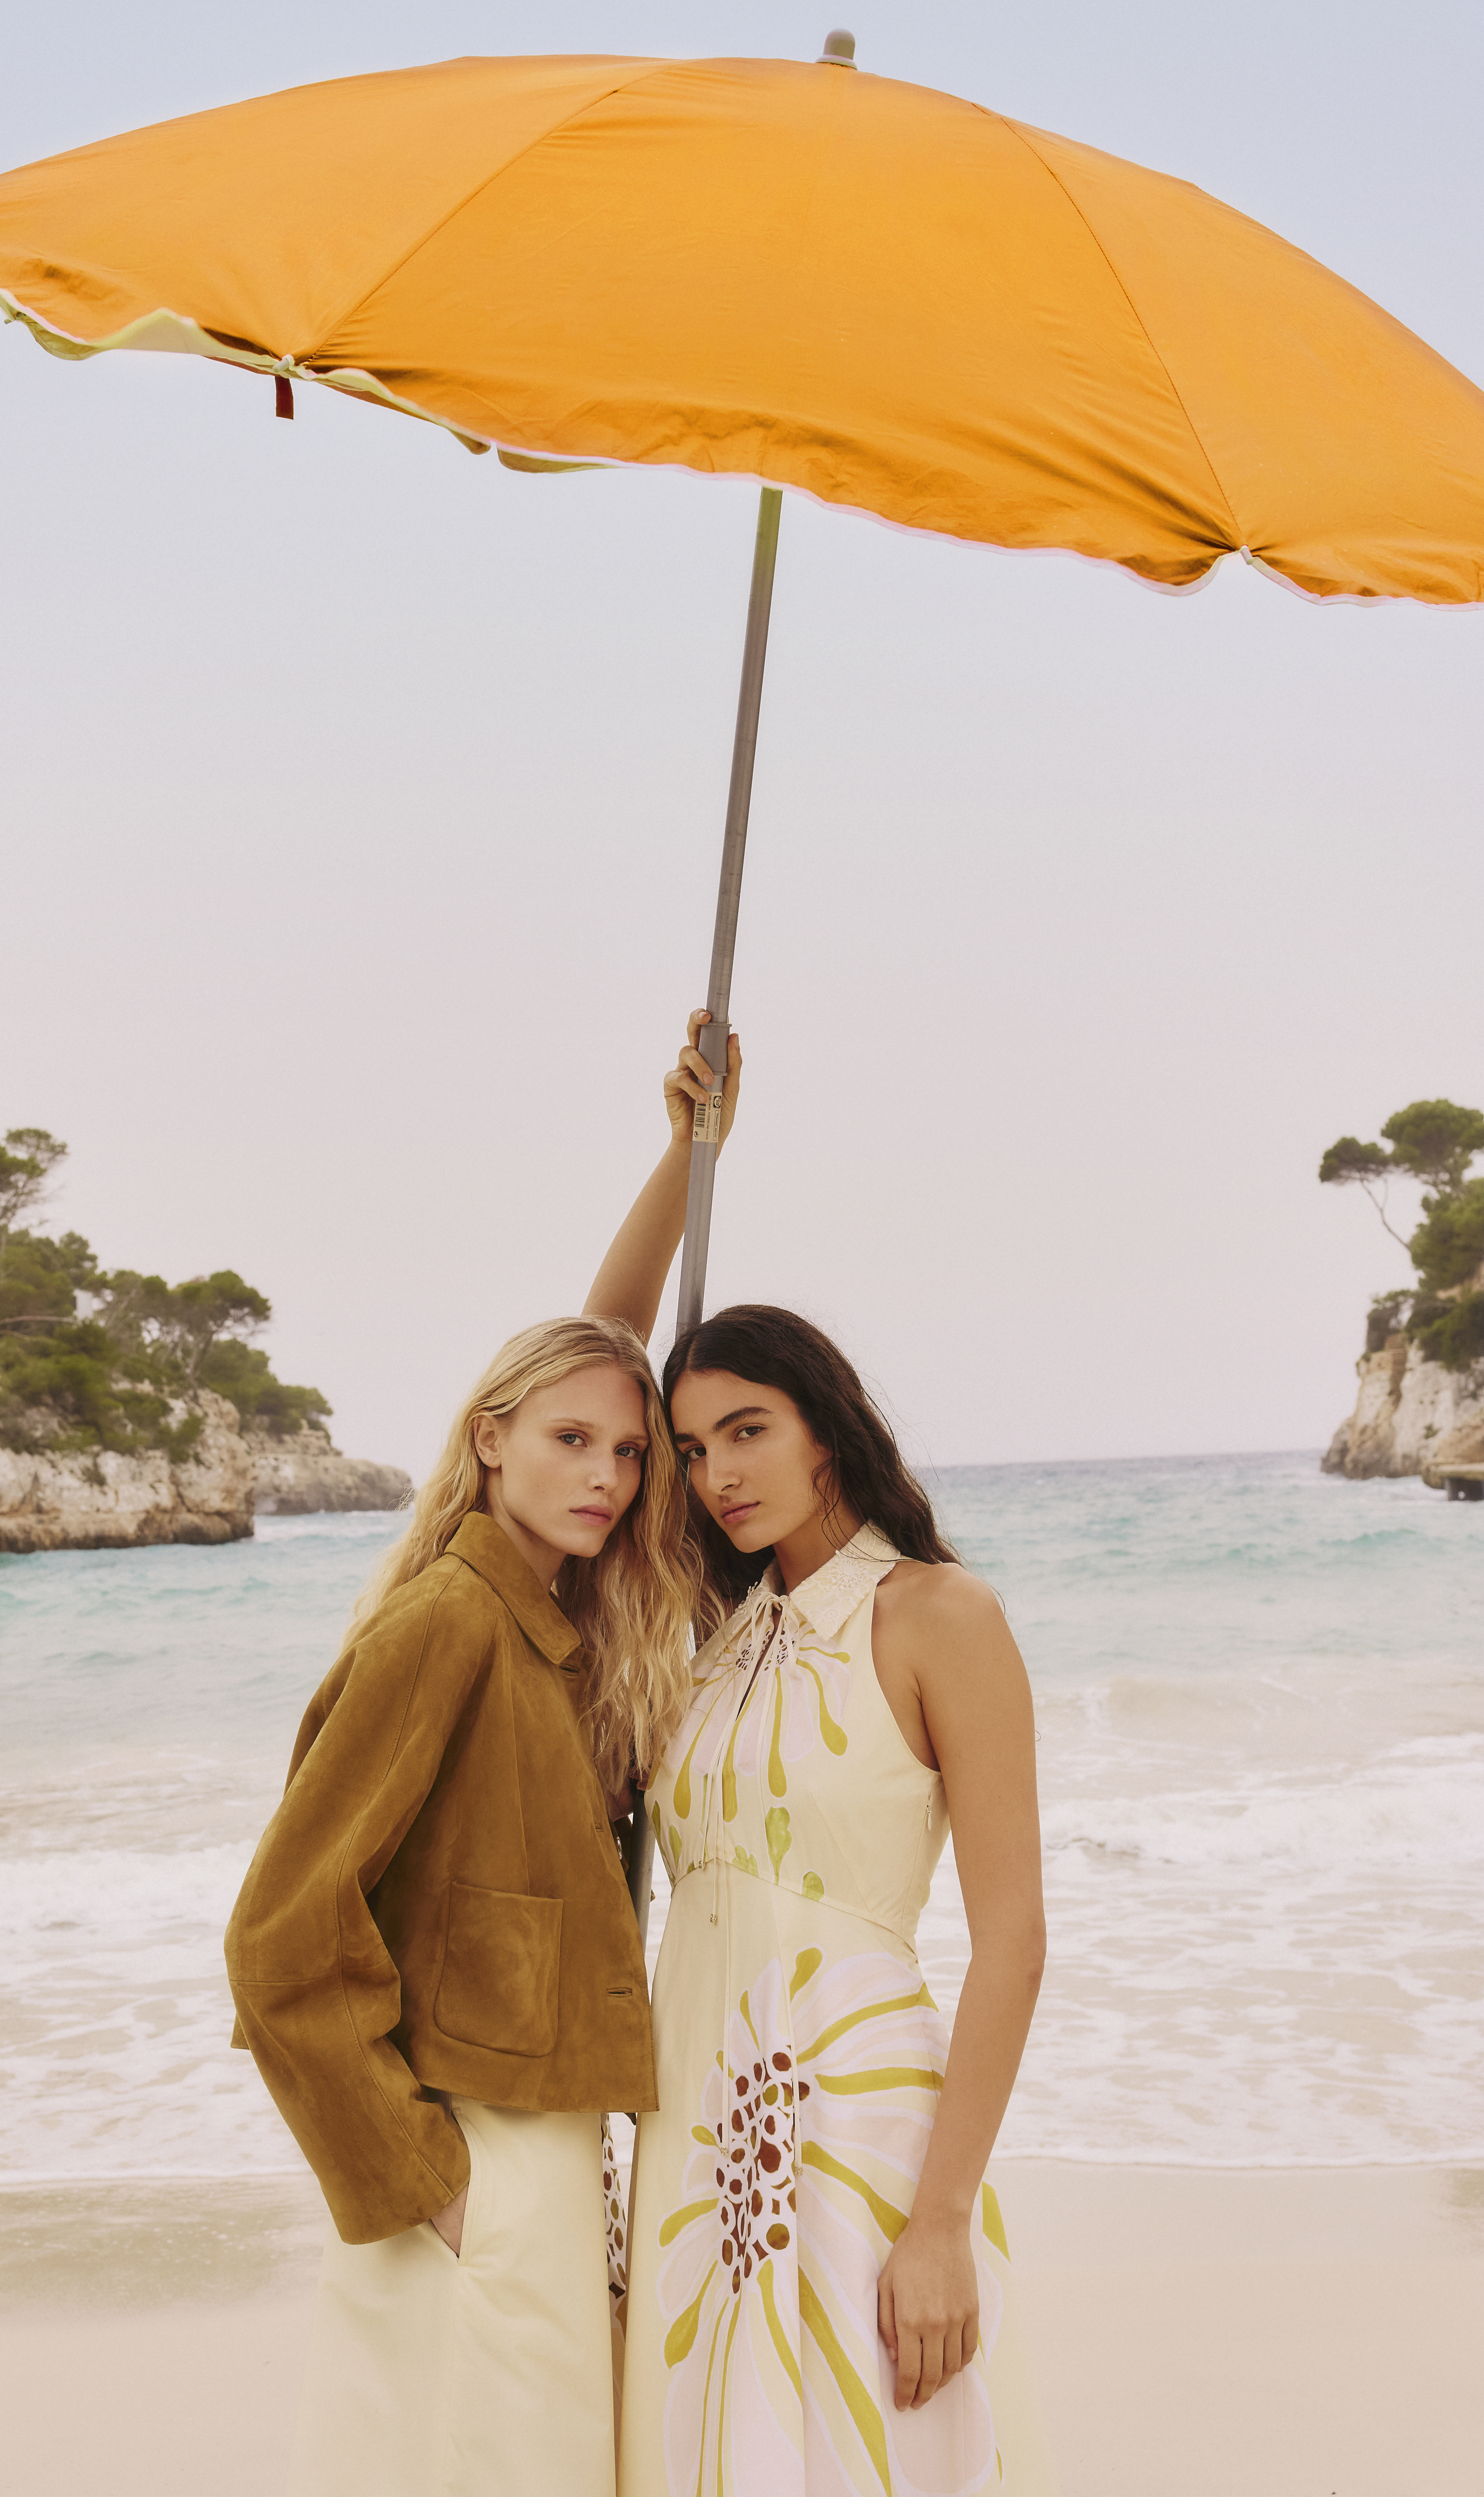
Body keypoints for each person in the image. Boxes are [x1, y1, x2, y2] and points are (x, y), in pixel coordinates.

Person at [588, 1019, 1054, 2497]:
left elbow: (1014, 1939)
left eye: (749, 1428)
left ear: (826, 1430)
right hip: (683, 2122)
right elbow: (586, 1371)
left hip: (860, 2122)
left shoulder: (936, 1613)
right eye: (694, 1443)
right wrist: (686, 1154)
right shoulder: (698, 1632)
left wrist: (939, 2219)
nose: (715, 1468)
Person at [226, 1316, 698, 2497]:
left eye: (633, 1453)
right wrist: (431, 2180)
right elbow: (280, 1936)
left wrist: (691, 1150)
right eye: (571, 1438)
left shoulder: (549, 1634)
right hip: (476, 2163)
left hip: (549, 2157)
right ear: (491, 1440)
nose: (605, 1475)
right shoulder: (446, 1619)